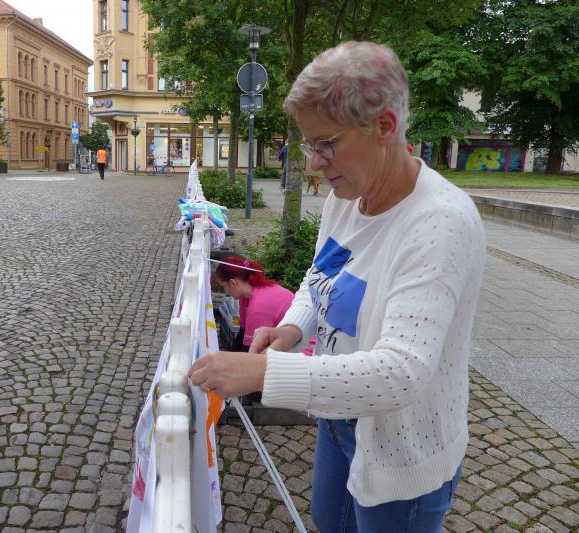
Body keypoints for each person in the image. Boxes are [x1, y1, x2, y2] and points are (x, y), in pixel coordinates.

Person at [188, 41, 485, 532]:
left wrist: (264, 372)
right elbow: (319, 277)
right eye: (310, 145)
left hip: (401, 451)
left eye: (325, 143)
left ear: (384, 126)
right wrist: (291, 330)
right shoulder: (347, 197)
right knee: (329, 520)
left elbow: (401, 372)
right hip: (339, 419)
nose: (314, 163)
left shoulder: (440, 223)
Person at [213, 256, 294, 352]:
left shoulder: (258, 307)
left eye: (223, 286)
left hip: (297, 348)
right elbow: (242, 332)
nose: (225, 291)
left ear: (232, 283)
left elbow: (251, 351)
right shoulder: (246, 296)